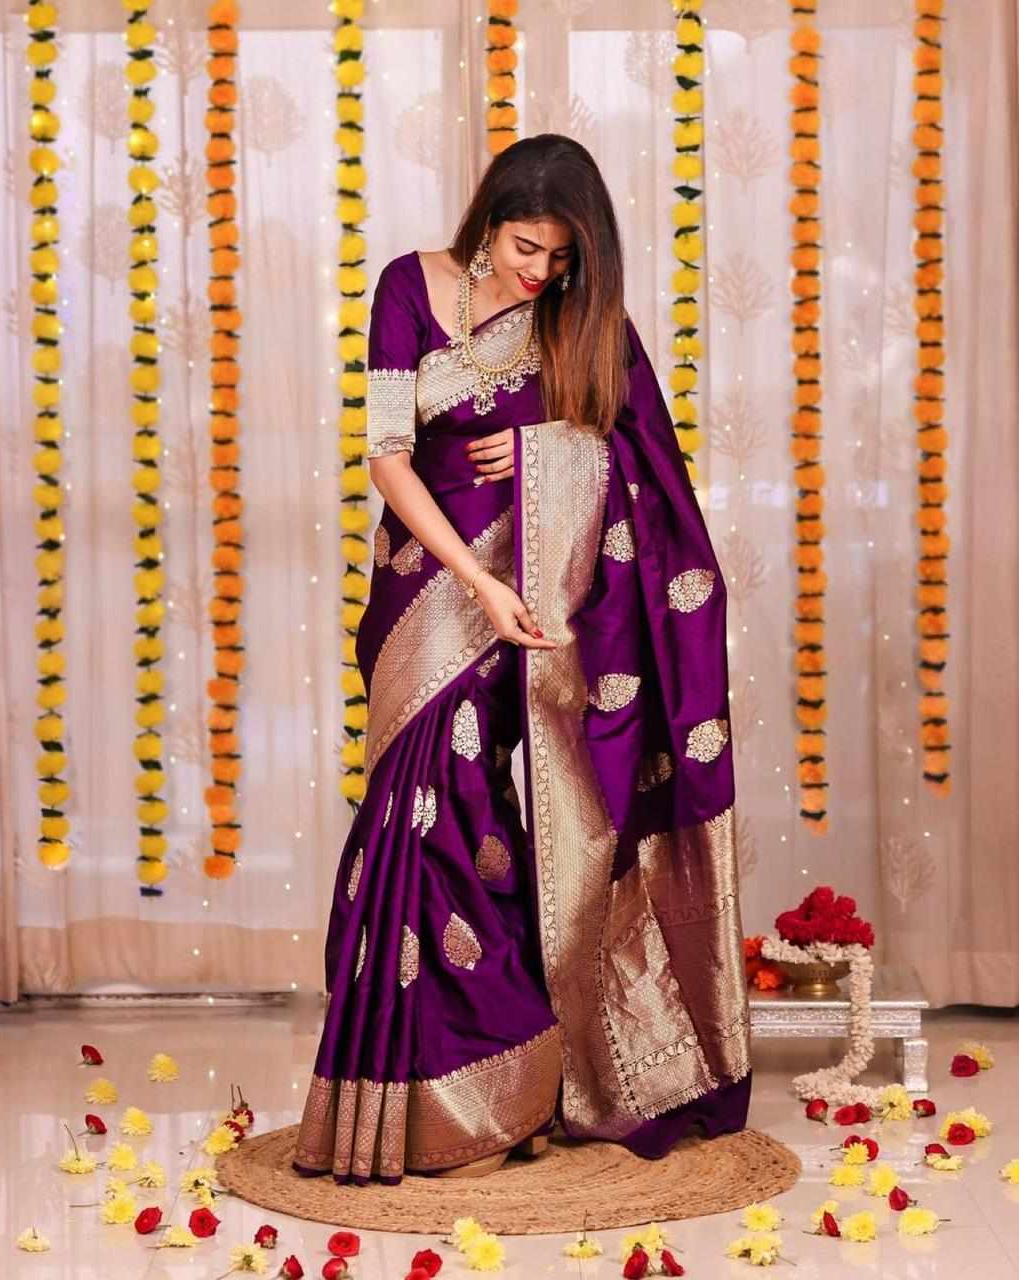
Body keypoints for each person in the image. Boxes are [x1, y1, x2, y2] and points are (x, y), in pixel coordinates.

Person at [291, 133, 751, 1185]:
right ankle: (446, 1102)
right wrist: (476, 584)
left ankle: (492, 1096)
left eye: (561, 256)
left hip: (534, 604)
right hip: (428, 593)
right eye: (523, 247)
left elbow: (651, 469)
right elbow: (386, 455)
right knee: (405, 827)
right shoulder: (408, 285)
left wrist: (557, 452)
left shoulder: (583, 323)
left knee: (465, 823)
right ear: (486, 221)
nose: (539, 272)